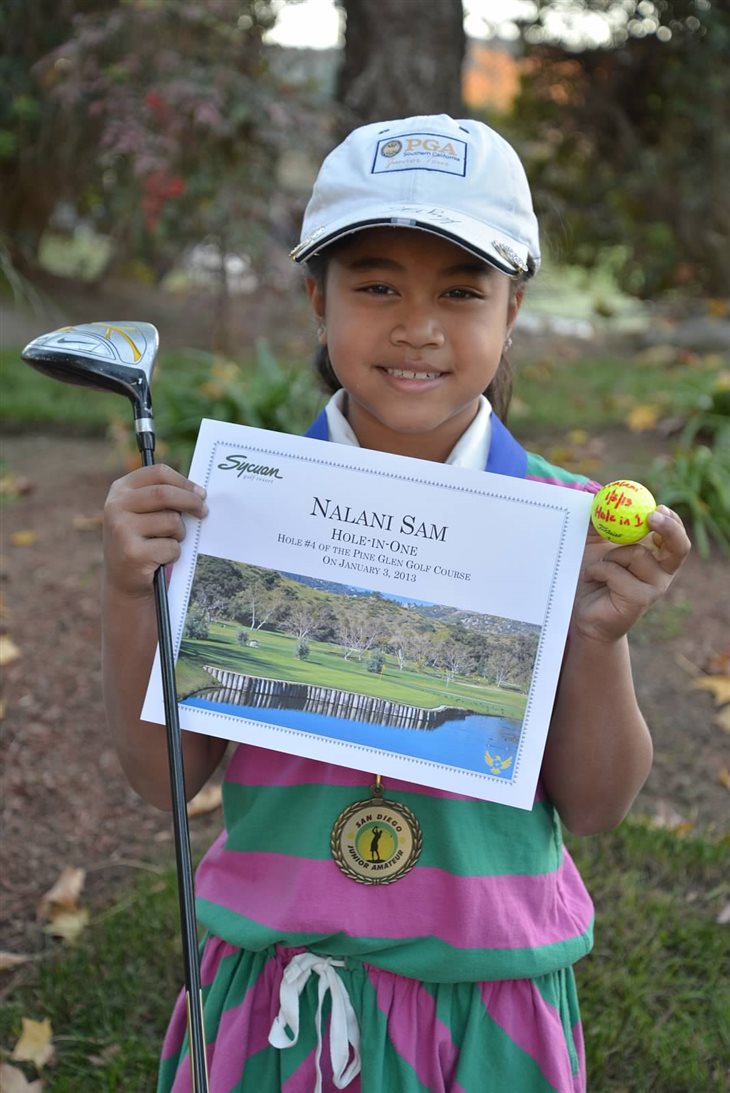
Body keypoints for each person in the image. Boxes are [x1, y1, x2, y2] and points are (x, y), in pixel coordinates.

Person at [102, 115, 691, 1092]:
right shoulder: (234, 507)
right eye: (376, 285)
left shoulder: (563, 523)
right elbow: (159, 777)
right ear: (315, 298)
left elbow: (596, 802)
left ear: (513, 310)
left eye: (462, 291)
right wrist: (133, 592)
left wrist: (597, 637)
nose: (417, 326)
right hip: (274, 984)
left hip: (490, 997)